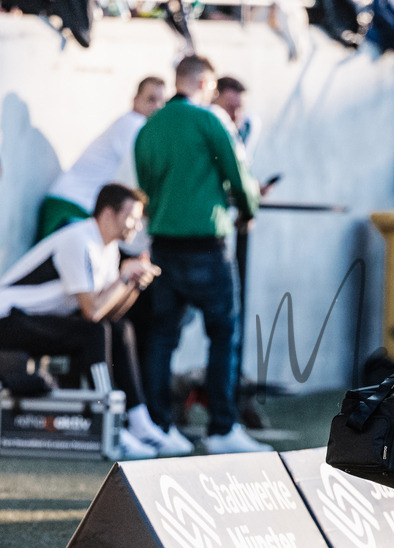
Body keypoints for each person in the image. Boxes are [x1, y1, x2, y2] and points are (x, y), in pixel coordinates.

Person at [134, 55, 269, 455]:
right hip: (207, 247)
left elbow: (146, 184)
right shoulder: (210, 120)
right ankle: (222, 427)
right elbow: (239, 178)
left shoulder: (149, 127)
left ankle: (160, 425)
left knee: (161, 338)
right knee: (223, 334)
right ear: (205, 81)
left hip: (162, 246)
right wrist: (248, 211)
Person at [0, 184, 192, 459]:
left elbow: (110, 314)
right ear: (107, 214)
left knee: (120, 328)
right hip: (8, 319)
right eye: (132, 216)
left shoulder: (109, 248)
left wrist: (133, 285)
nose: (138, 225)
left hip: (35, 321)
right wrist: (123, 277)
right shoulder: (78, 240)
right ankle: (109, 421)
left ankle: (139, 422)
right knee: (93, 331)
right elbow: (91, 312)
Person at [37, 77, 167, 241]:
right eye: (151, 99)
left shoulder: (133, 125)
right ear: (135, 100)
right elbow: (143, 175)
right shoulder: (133, 124)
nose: (157, 107)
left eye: (162, 102)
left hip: (74, 207)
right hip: (68, 207)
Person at [210, 76, 261, 159]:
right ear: (212, 102)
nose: (235, 115)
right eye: (229, 108)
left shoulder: (246, 127)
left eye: (240, 109)